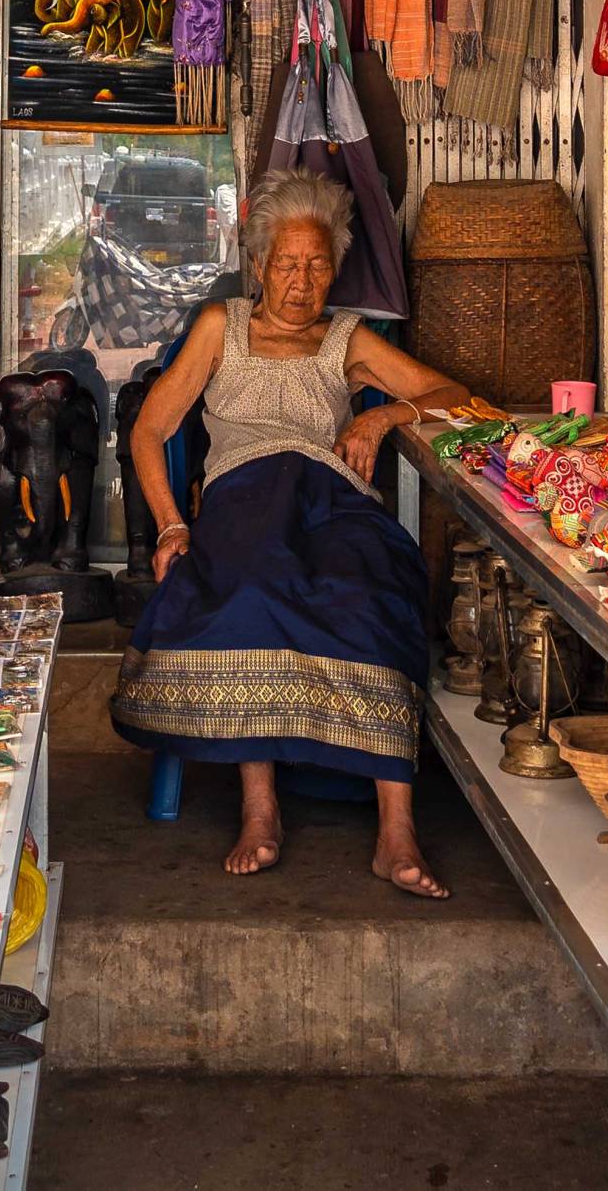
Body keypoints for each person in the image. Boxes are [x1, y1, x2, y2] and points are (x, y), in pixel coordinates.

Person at [108, 166, 469, 898]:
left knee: (378, 588)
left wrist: (379, 415)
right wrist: (173, 523)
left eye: (317, 265)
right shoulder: (222, 326)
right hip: (244, 493)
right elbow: (152, 431)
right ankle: (259, 811)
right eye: (286, 264)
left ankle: (395, 831)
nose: (302, 283)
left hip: (331, 499)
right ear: (260, 265)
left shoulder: (346, 339)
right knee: (251, 587)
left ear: (335, 269)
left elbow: (456, 397)